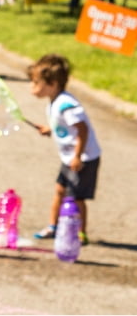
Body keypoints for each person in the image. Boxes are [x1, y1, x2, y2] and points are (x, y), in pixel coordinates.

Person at [23, 54, 101, 246]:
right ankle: (54, 226)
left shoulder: (67, 104)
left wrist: (78, 156)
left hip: (83, 158)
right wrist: (50, 129)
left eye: (35, 83)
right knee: (60, 190)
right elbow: (66, 126)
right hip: (69, 158)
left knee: (76, 197)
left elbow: (82, 129)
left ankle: (81, 233)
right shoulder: (55, 101)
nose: (32, 87)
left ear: (53, 84)